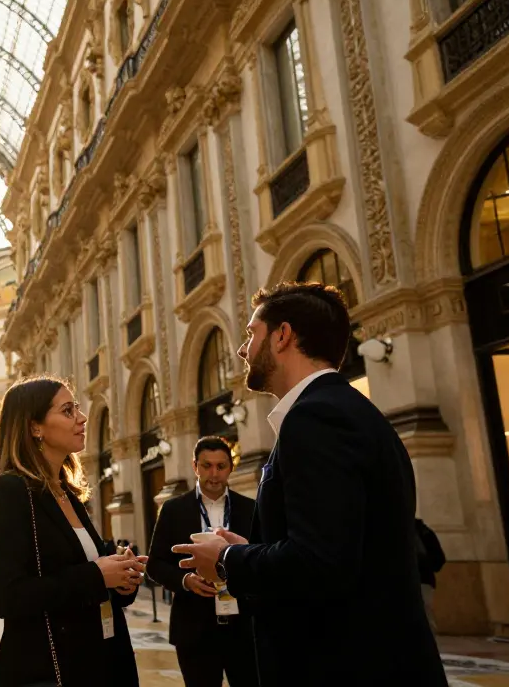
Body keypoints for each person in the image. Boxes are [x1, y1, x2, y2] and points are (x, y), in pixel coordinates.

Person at [173, 283, 447, 687]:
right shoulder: (348, 410)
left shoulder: (315, 418)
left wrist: (228, 559)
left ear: (282, 336)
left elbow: (320, 563)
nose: (242, 349)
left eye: (251, 333)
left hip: (346, 666)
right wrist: (248, 551)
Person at [0, 376, 147, 686]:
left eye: (77, 408)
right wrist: (97, 575)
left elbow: (82, 578)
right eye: (68, 410)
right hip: (50, 669)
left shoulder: (65, 492)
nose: (81, 418)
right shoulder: (9, 491)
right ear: (34, 427)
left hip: (100, 661)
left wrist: (121, 579)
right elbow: (8, 598)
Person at [146, 437, 257, 687]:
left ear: (231, 467)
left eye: (221, 466)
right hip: (194, 629)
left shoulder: (250, 508)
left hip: (243, 629)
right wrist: (185, 580)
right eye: (207, 466)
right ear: (195, 466)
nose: (214, 474)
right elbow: (155, 564)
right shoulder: (173, 509)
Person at [415, 517, 447, 635]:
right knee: (425, 615)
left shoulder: (422, 533)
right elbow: (439, 560)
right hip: (424, 580)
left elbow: (438, 560)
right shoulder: (425, 532)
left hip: (421, 580)